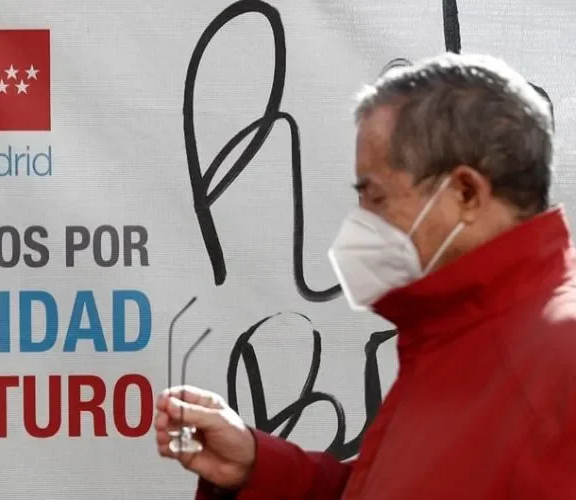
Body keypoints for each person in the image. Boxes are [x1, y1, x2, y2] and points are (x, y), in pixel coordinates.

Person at [154, 53, 575, 499]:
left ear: (466, 192)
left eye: (375, 195)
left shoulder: (558, 359)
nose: (361, 220)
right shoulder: (457, 337)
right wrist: (256, 467)